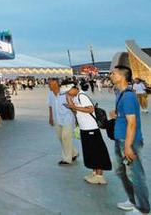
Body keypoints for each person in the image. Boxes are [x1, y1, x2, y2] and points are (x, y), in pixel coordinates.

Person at [109, 66, 149, 214]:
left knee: (136, 175)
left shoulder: (128, 96)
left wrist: (127, 146)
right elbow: (126, 116)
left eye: (113, 73)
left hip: (129, 141)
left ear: (122, 76)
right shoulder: (120, 93)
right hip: (120, 139)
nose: (110, 75)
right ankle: (133, 200)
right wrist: (117, 113)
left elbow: (132, 123)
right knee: (121, 172)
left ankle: (143, 208)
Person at [64, 85, 111, 184]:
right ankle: (94, 173)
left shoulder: (82, 96)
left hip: (91, 128)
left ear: (74, 88)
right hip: (84, 128)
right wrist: (69, 100)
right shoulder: (76, 97)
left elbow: (90, 109)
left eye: (68, 91)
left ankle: (99, 176)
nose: (67, 93)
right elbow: (75, 111)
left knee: (97, 152)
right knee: (90, 152)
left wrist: (73, 106)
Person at [48, 79, 78, 166]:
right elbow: (50, 105)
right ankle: (74, 153)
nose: (49, 86)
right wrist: (50, 117)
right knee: (61, 138)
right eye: (49, 84)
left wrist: (76, 118)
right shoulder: (50, 93)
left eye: (51, 84)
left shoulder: (65, 92)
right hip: (57, 118)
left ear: (57, 85)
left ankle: (67, 159)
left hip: (67, 118)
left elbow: (73, 105)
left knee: (65, 137)